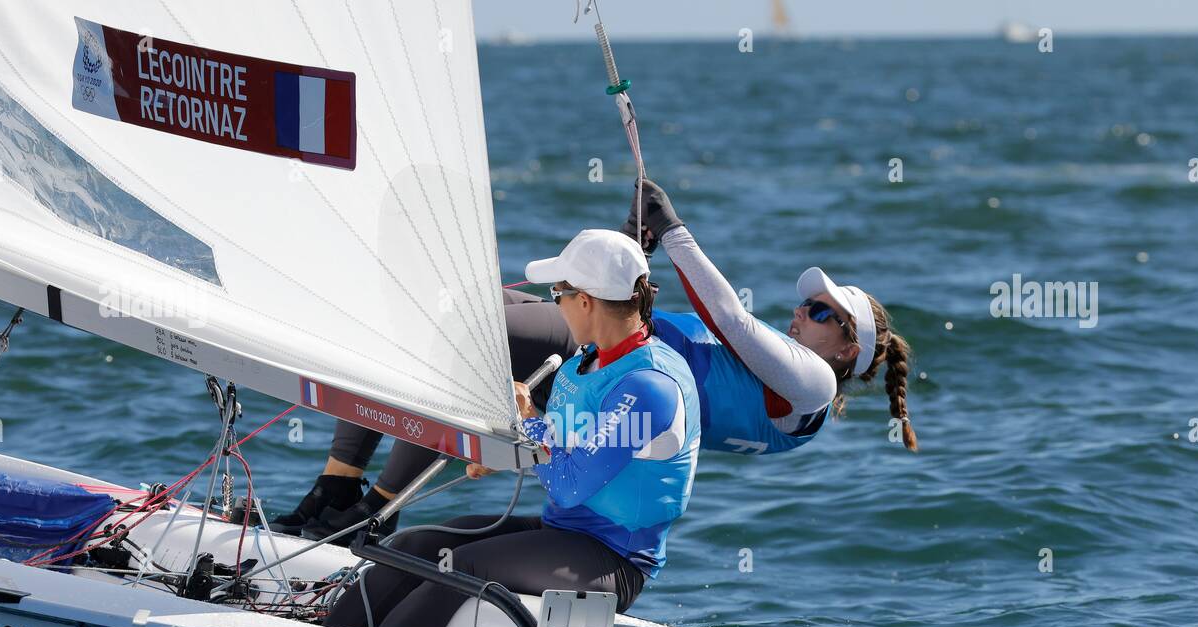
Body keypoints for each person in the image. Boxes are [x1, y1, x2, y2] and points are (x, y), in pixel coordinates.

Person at [272, 179, 917, 539]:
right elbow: (678, 323)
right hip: (606, 365)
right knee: (452, 308)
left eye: (823, 313)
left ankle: (373, 507)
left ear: (848, 352)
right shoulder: (792, 400)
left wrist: (673, 231)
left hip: (608, 364)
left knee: (464, 327)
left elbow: (727, 318)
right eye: (808, 303)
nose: (802, 312)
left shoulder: (809, 387)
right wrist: (637, 248)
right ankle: (339, 486)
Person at [324, 229, 700, 627]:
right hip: (564, 532)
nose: (556, 306)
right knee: (416, 546)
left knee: (461, 565)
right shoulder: (585, 360)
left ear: (586, 302)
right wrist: (506, 447)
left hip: (612, 558)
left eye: (558, 295)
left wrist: (527, 425)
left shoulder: (649, 386)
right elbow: (570, 443)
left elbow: (571, 483)